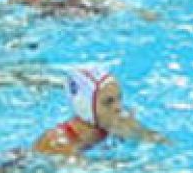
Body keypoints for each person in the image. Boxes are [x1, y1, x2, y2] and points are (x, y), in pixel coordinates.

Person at [32, 66, 166, 157]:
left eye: (119, 98)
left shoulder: (117, 122)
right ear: (85, 107)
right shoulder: (58, 142)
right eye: (108, 102)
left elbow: (163, 144)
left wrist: (138, 132)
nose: (118, 108)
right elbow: (87, 172)